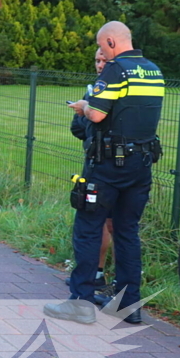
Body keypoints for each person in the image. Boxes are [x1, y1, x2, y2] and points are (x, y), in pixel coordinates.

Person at [45, 22, 163, 325]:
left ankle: (80, 303)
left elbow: (97, 113)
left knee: (88, 227)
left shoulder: (116, 69)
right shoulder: (153, 70)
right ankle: (128, 305)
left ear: (110, 42)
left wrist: (84, 106)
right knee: (127, 231)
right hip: (141, 165)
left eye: (103, 46)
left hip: (107, 165)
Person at [70, 48, 114, 290]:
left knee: (110, 222)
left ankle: (103, 280)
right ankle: (96, 273)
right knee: (97, 219)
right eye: (97, 60)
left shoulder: (113, 89)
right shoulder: (91, 89)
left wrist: (87, 116)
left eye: (104, 60)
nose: (99, 65)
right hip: (93, 160)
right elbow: (77, 127)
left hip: (108, 166)